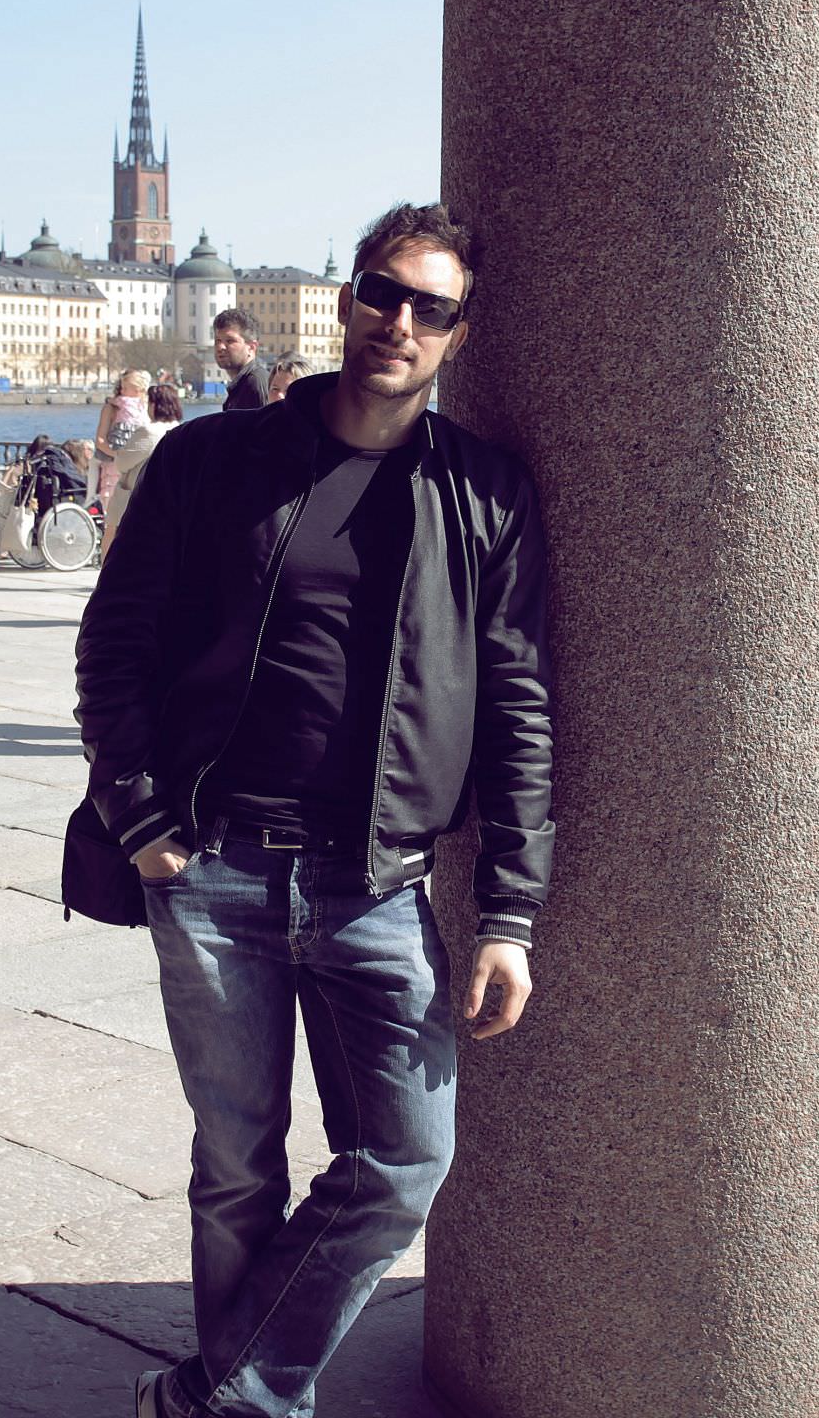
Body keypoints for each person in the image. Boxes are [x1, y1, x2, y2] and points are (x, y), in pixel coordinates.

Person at [78, 202, 550, 1418]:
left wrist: (509, 912)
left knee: (406, 1156)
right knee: (235, 1165)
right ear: (345, 299)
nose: (399, 322)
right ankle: (245, 1403)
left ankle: (222, 1396)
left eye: (430, 307)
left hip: (378, 881)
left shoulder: (485, 494)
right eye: (382, 293)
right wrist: (140, 819)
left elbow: (518, 708)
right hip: (216, 867)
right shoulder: (210, 463)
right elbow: (114, 644)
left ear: (458, 332)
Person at [107, 382, 181, 530]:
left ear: (154, 406)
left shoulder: (149, 432)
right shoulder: (180, 428)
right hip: (165, 501)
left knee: (111, 541)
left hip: (133, 500)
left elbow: (121, 463)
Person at [93, 371, 150, 508]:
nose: (121, 391)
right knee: (112, 502)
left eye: (125, 388)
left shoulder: (147, 407)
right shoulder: (112, 407)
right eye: (121, 387)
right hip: (115, 463)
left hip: (139, 465)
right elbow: (100, 441)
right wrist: (118, 456)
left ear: (137, 389)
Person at [215, 309, 270, 411]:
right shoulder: (239, 386)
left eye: (230, 341)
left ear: (251, 347)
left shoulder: (256, 382)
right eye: (218, 340)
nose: (220, 347)